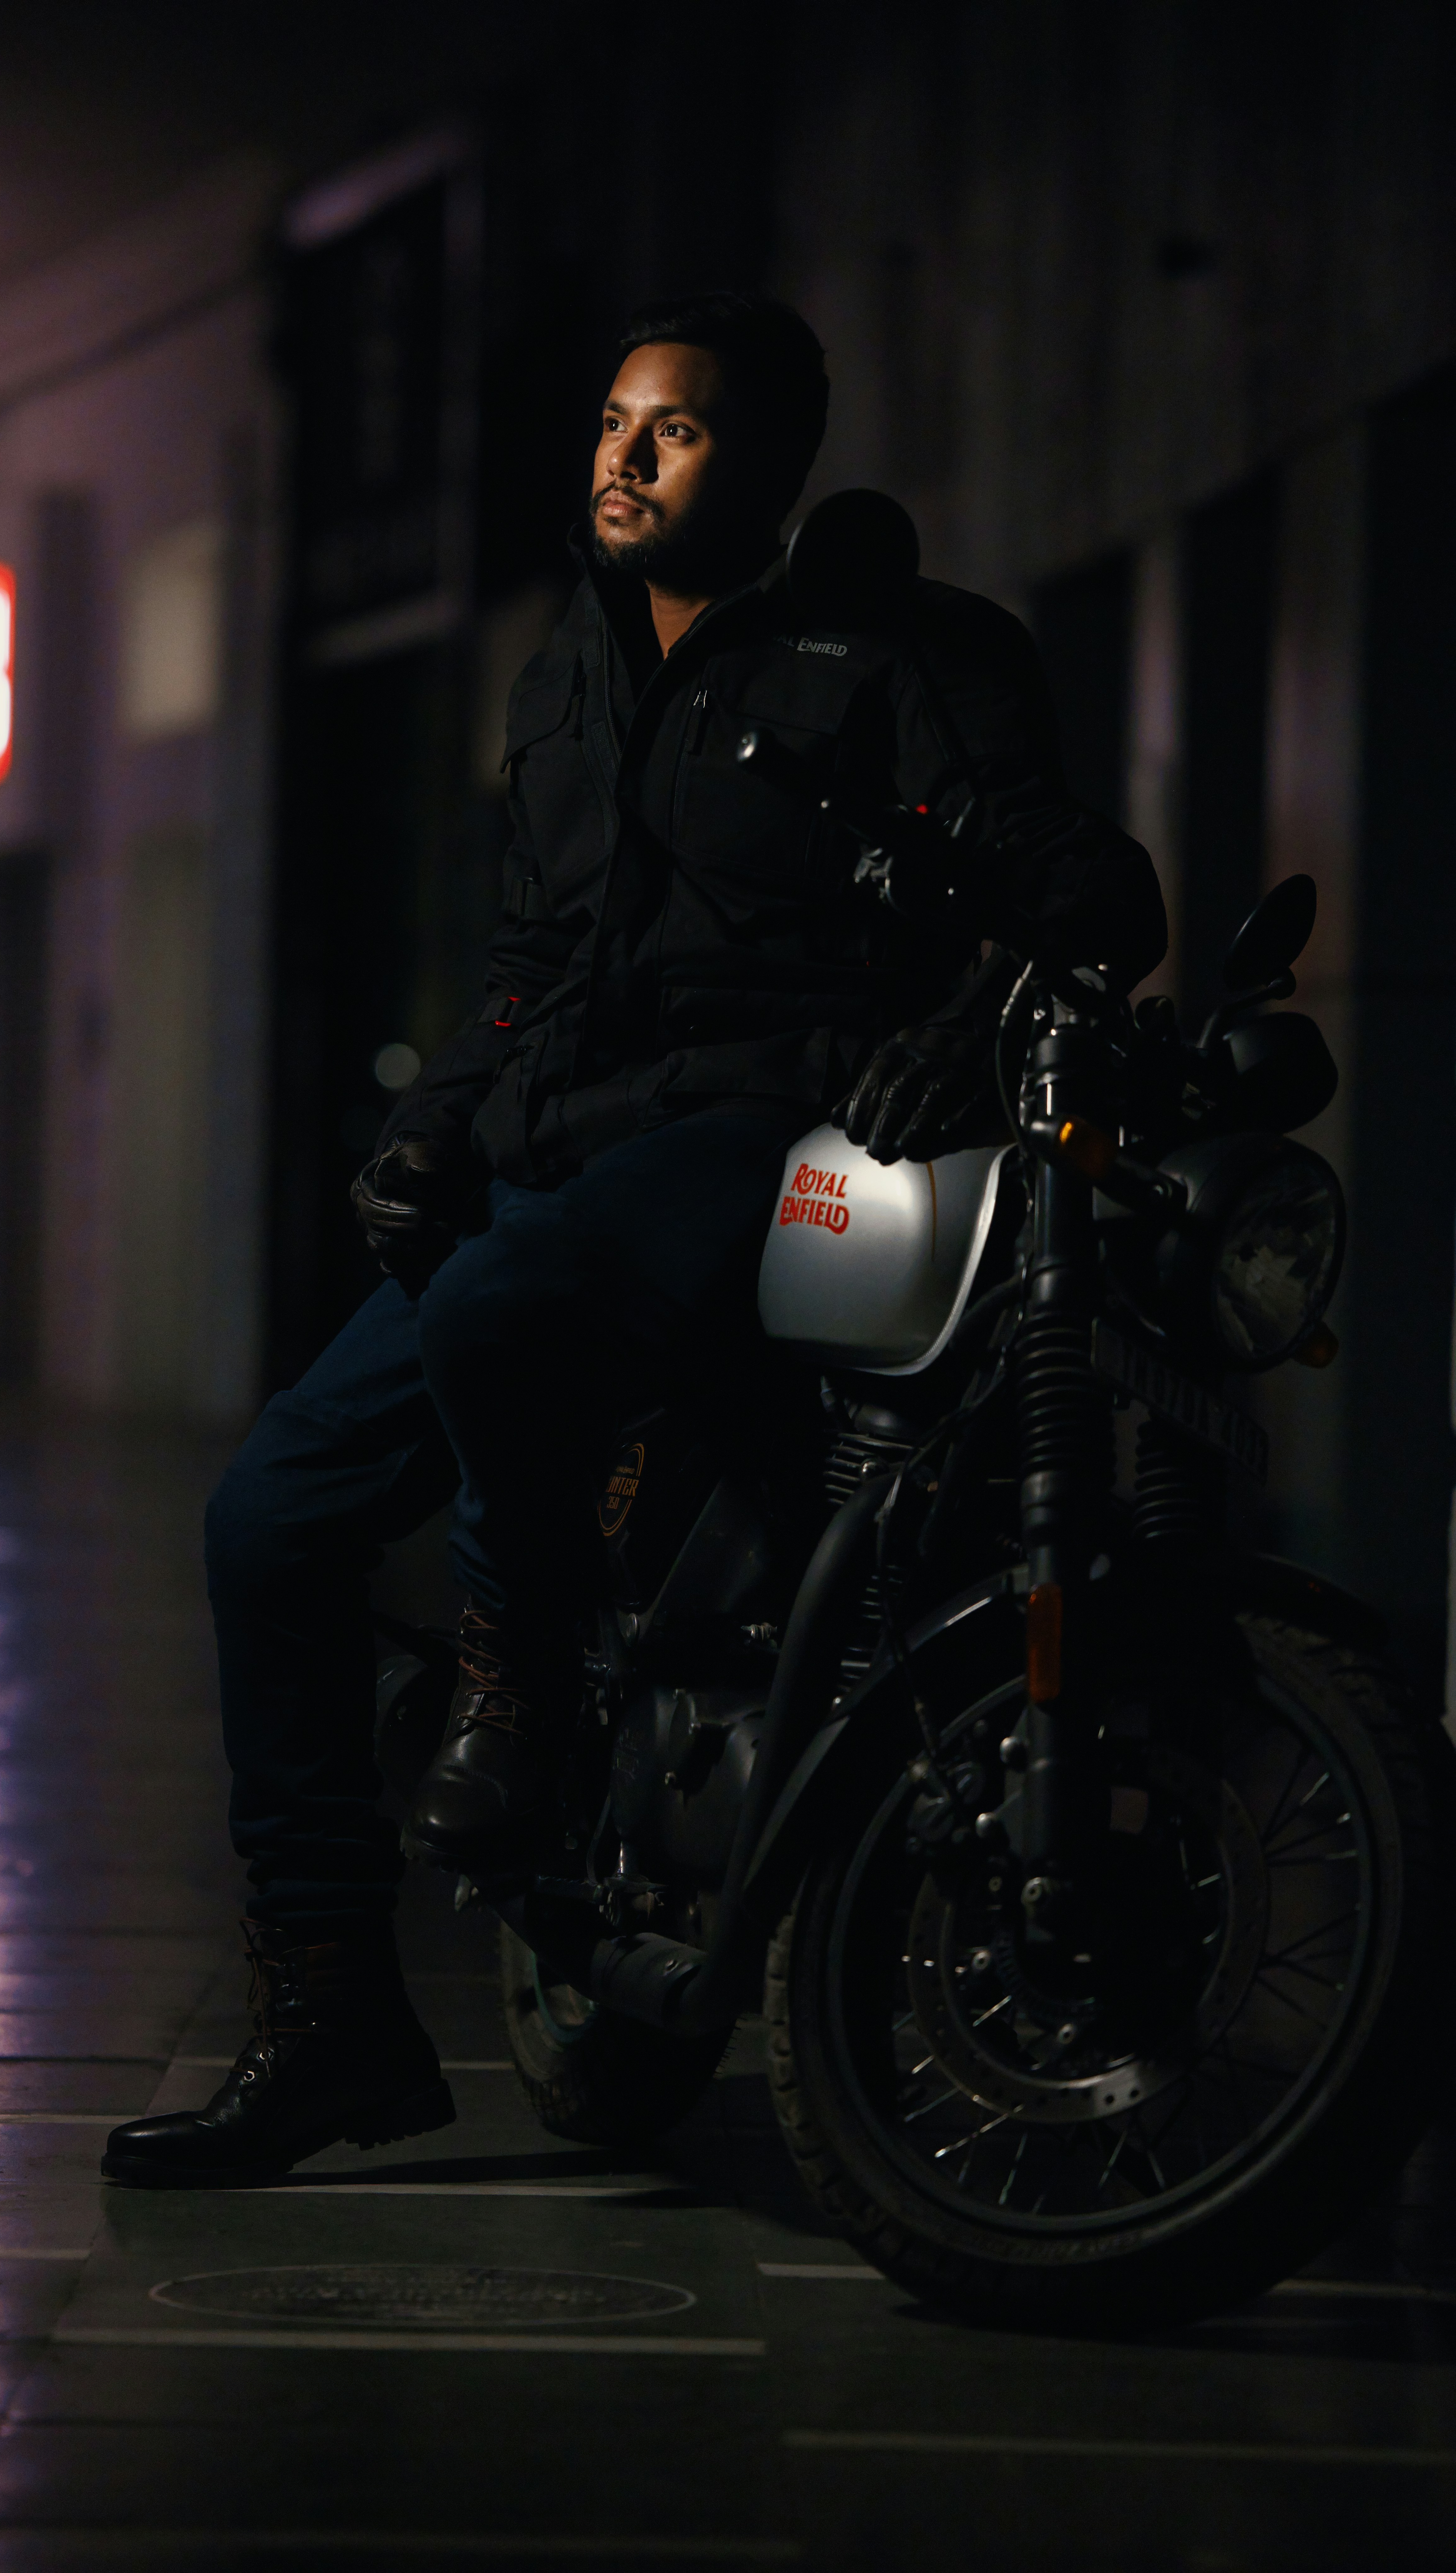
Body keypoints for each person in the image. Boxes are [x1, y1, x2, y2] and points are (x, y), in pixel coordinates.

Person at [103, 290, 1166, 2189]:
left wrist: (972, 1013)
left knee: (512, 1315)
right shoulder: (565, 668)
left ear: (763, 467)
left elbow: (1072, 876)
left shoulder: (900, 654)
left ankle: (517, 1649)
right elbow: (534, 964)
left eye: (672, 429)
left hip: (755, 1141)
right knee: (265, 1516)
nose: (623, 454)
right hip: (539, 1146)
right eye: (611, 420)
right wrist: (429, 1126)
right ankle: (332, 2011)